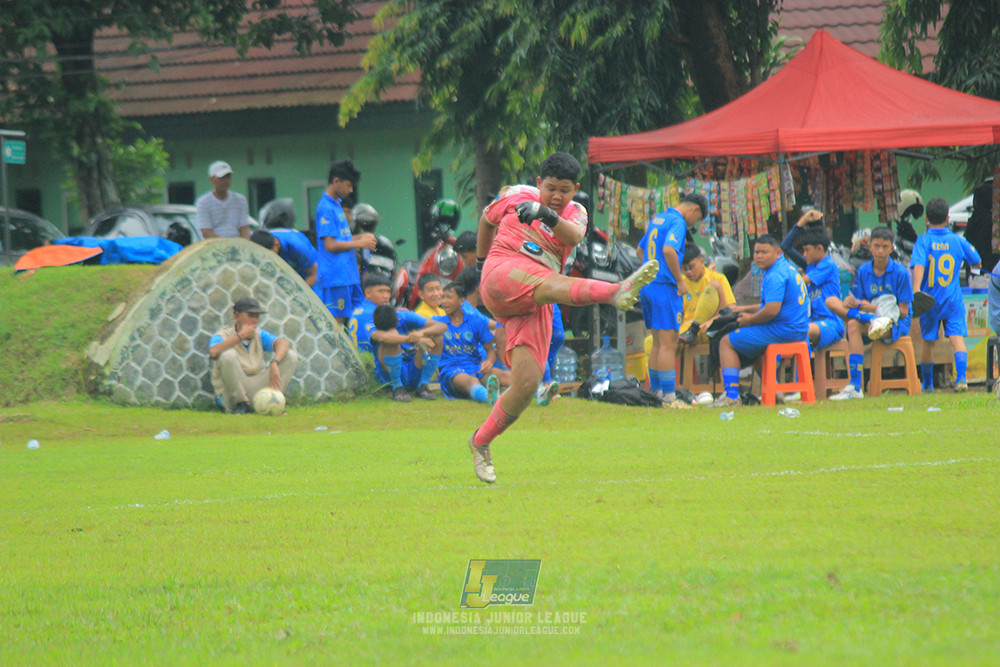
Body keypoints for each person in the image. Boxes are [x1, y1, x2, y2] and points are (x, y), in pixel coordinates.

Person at [469, 151, 658, 483]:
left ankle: (480, 442)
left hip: (535, 298)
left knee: (527, 383)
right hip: (502, 274)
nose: (557, 196)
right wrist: (481, 262)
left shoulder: (575, 213)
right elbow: (486, 220)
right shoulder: (517, 195)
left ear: (575, 189)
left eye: (565, 190)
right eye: (551, 188)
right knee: (548, 284)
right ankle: (615, 292)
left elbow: (573, 236)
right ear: (539, 182)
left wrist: (546, 214)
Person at [711, 234, 809, 408]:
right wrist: (744, 309)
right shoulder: (787, 268)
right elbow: (772, 305)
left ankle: (731, 397)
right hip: (798, 329)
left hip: (783, 330)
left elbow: (771, 311)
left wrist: (749, 321)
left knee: (726, 342)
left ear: (778, 253)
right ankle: (775, 393)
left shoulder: (775, 275)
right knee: (756, 351)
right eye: (756, 252)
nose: (759, 256)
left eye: (764, 252)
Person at [637, 192, 707, 407]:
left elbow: (640, 250)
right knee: (669, 344)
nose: (693, 224)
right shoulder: (678, 222)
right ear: (695, 210)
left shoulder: (659, 218)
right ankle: (669, 397)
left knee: (658, 343)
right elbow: (669, 250)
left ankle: (656, 393)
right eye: (697, 219)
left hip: (648, 286)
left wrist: (649, 272)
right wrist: (679, 280)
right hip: (664, 287)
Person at [830, 226, 913, 400]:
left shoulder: (900, 273)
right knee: (836, 306)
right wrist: (852, 302)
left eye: (885, 246)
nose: (880, 251)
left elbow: (904, 312)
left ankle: (855, 384)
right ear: (870, 246)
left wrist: (876, 310)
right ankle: (855, 387)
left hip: (894, 324)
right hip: (869, 320)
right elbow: (859, 301)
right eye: (876, 246)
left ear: (891, 248)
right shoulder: (863, 271)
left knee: (853, 322)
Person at [910, 197, 981, 392]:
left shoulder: (923, 241)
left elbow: (918, 265)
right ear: (948, 218)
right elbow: (976, 259)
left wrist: (916, 289)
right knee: (957, 338)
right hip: (952, 300)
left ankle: (928, 385)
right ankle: (961, 379)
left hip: (929, 300)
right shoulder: (957, 240)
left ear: (926, 219)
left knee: (928, 343)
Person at [208, 296, 298, 414]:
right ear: (236, 316)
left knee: (291, 356)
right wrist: (240, 336)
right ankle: (240, 404)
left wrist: (275, 362)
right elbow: (213, 351)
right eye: (250, 315)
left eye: (257, 316)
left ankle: (272, 402)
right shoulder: (223, 335)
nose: (255, 320)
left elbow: (284, 343)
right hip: (232, 390)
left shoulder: (259, 334)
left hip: (258, 385)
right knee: (228, 355)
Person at [315, 160, 377, 325]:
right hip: (336, 277)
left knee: (360, 316)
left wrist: (361, 237)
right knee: (338, 322)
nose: (351, 190)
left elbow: (342, 240)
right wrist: (359, 244)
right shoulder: (325, 208)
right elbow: (330, 245)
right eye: (349, 185)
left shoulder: (337, 205)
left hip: (349, 275)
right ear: (336, 181)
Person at [779, 211, 848, 350]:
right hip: (813, 322)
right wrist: (802, 222)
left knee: (802, 331)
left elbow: (801, 281)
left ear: (820, 248)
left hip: (831, 323)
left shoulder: (828, 265)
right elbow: (785, 247)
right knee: (786, 333)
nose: (804, 254)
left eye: (806, 250)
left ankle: (804, 365)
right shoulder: (810, 265)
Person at [432, 281, 501, 403]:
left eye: (449, 297)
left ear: (461, 300)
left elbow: (490, 350)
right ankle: (490, 398)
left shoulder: (475, 321)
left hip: (476, 366)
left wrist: (489, 362)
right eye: (443, 297)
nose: (444, 301)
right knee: (471, 381)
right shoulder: (436, 322)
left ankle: (536, 392)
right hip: (451, 369)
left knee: (503, 376)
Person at [370, 304, 446, 402]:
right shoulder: (374, 328)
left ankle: (423, 385)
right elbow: (384, 337)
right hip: (389, 376)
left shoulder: (406, 316)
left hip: (413, 366)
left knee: (437, 337)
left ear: (399, 320)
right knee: (392, 339)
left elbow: (442, 326)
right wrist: (415, 339)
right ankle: (397, 388)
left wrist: (421, 333)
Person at [676, 244, 736, 347]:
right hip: (684, 330)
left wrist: (714, 319)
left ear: (702, 261)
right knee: (651, 342)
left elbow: (731, 307)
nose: (688, 272)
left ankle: (694, 329)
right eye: (685, 269)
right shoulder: (682, 283)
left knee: (714, 286)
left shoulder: (718, 278)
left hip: (709, 325)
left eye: (691, 267)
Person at [196, 161, 251, 239]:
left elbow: (244, 228)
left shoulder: (241, 200)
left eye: (228, 177)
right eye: (221, 178)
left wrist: (244, 243)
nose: (225, 180)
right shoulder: (203, 202)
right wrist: (225, 243)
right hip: (213, 243)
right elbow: (206, 231)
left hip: (237, 242)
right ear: (211, 179)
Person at [250, 229, 319, 287]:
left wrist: (296, 294)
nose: (266, 258)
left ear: (277, 245)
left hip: (312, 276)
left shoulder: (298, 247)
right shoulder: (263, 240)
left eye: (268, 256)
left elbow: (314, 275)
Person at [348, 273, 393, 354]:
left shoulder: (360, 308)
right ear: (368, 293)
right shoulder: (374, 314)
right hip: (367, 359)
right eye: (381, 291)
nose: (386, 296)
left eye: (388, 292)